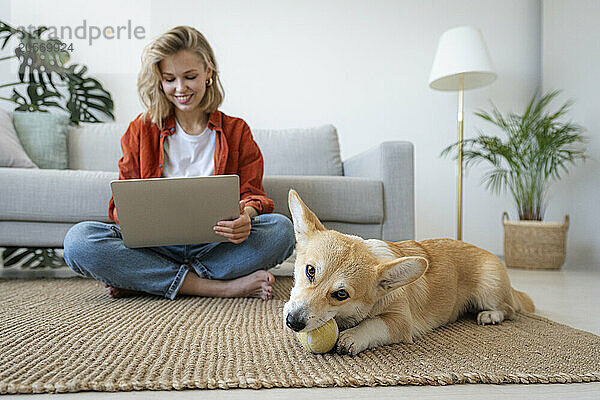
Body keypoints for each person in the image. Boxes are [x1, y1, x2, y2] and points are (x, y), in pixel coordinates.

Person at [63, 26, 295, 301]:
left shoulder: (236, 131)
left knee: (281, 230)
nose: (180, 88)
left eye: (190, 77)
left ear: (208, 72)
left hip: (216, 245)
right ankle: (217, 287)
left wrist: (246, 216)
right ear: (159, 80)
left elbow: (254, 194)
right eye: (170, 79)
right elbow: (119, 206)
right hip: (154, 247)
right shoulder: (141, 129)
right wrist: (135, 219)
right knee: (78, 241)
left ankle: (147, 280)